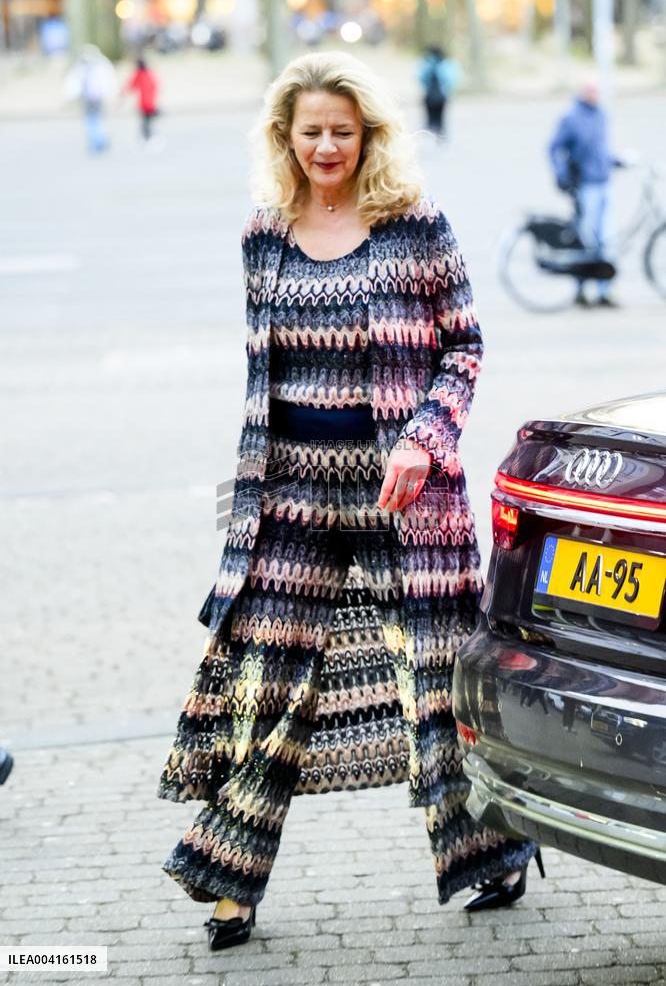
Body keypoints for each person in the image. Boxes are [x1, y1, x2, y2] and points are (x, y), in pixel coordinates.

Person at [157, 50, 541, 953]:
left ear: (368, 134)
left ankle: (492, 853)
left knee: (435, 682)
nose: (327, 146)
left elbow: (465, 348)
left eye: (343, 130)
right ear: (283, 137)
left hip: (405, 500)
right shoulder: (264, 233)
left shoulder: (414, 223)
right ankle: (231, 881)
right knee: (265, 682)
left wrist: (423, 439)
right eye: (311, 132)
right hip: (289, 493)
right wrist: (248, 496)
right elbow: (263, 377)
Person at [548, 79, 624, 308]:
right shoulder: (571, 118)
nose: (594, 94)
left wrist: (616, 161)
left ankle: (604, 290)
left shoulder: (601, 115)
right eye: (590, 90)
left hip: (604, 183)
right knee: (585, 240)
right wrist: (562, 175)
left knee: (605, 239)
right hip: (585, 185)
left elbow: (600, 151)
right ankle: (580, 289)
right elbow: (555, 148)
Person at [63, 44, 117, 155]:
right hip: (94, 98)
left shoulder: (84, 67)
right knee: (95, 119)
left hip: (90, 98)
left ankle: (98, 140)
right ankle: (99, 140)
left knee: (92, 119)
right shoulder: (100, 66)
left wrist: (69, 96)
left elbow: (74, 83)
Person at [417, 45, 461, 141]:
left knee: (431, 115)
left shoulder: (426, 64)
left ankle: (433, 131)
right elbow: (451, 80)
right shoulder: (446, 64)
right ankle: (438, 132)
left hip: (430, 96)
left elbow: (421, 79)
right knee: (440, 116)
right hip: (442, 96)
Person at [122, 58, 161, 144]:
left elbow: (131, 85)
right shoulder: (150, 74)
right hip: (150, 103)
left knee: (145, 122)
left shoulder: (140, 75)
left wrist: (122, 94)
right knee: (147, 122)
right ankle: (148, 137)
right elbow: (156, 87)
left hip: (144, 104)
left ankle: (148, 138)